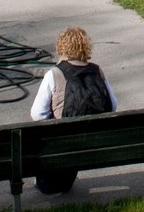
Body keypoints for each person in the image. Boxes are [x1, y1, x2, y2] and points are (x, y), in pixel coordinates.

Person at [29, 26, 118, 194]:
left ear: (61, 48)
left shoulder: (54, 74)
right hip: (96, 143)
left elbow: (37, 114)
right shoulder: (97, 71)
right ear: (86, 47)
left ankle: (49, 181)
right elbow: (112, 105)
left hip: (63, 143)